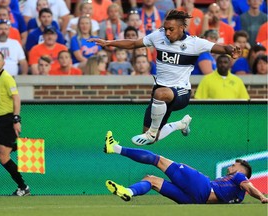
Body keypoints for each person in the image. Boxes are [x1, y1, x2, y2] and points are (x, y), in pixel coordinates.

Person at [89, 9, 242, 146]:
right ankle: (179, 125)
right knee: (151, 141)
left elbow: (221, 48)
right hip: (160, 94)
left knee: (160, 97)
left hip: (180, 92)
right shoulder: (158, 36)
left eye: (171, 29)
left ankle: (152, 131)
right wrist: (109, 42)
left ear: (182, 28)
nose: (167, 32)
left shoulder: (195, 43)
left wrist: (231, 50)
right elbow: (133, 43)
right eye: (165, 28)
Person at [103, 131, 268, 204]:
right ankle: (129, 192)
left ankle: (115, 148)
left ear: (241, 171)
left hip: (202, 187)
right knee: (151, 180)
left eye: (234, 165)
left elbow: (249, 186)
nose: (230, 167)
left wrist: (261, 197)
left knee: (158, 160)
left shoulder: (239, 178)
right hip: (195, 201)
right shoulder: (237, 197)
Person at [0, 50, 30, 196]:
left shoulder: (6, 78)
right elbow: (2, 100)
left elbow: (16, 98)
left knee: (3, 157)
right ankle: (13, 146)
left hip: (8, 120)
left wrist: (16, 119)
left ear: (3, 63)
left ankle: (23, 187)